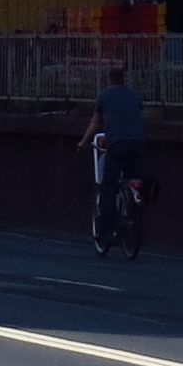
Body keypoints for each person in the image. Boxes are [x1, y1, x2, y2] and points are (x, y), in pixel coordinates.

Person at [78, 66, 145, 245]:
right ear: (124, 79)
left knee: (109, 186)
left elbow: (94, 124)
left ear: (110, 79)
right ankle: (134, 204)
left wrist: (84, 142)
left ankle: (107, 230)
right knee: (132, 177)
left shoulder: (104, 96)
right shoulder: (133, 95)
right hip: (138, 143)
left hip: (116, 144)